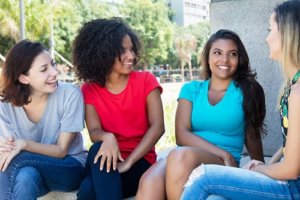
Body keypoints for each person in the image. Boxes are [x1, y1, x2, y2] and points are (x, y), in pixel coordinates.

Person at [181, 1, 300, 199]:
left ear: (287, 35)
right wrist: (267, 164)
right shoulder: (292, 86)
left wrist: (256, 170)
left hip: (293, 189)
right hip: (291, 182)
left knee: (203, 178)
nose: (267, 38)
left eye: (271, 30)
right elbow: (292, 143)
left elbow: (291, 171)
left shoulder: (298, 92)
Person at [137, 29, 266, 200]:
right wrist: (222, 153)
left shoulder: (248, 91)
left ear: (239, 58)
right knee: (149, 182)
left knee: (179, 156)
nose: (224, 60)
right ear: (208, 57)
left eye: (232, 54)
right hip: (191, 157)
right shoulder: (191, 89)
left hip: (222, 163)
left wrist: (262, 173)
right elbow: (181, 135)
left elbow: (252, 135)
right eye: (217, 53)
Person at [72, 17, 165, 200]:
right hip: (106, 158)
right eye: (122, 51)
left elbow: (158, 127)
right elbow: (94, 131)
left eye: (131, 49)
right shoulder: (89, 89)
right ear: (102, 53)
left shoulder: (146, 81)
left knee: (87, 192)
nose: (131, 56)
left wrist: (129, 162)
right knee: (98, 148)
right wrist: (108, 137)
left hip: (140, 162)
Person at [0, 40, 86, 200]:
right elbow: (7, 153)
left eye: (52, 65)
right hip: (30, 171)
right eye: (44, 69)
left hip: (69, 167)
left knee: (18, 158)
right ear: (24, 78)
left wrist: (24, 144)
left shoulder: (70, 95)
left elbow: (61, 151)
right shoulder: (4, 106)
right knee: (26, 177)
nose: (54, 72)